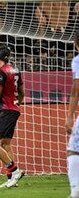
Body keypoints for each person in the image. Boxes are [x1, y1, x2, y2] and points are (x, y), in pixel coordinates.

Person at [0, 44, 25, 188]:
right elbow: (22, 92)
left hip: (7, 110)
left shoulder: (0, 72)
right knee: (5, 144)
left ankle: (15, 171)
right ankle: (12, 179)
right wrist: (17, 103)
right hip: (14, 109)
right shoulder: (15, 70)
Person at [65, 30, 79, 198]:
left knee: (74, 150)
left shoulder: (77, 61)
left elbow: (76, 88)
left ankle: (76, 190)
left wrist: (69, 116)